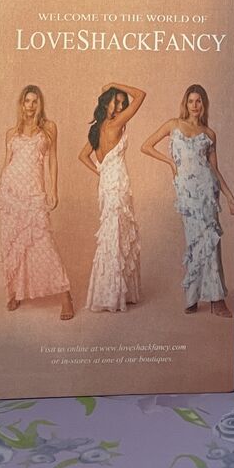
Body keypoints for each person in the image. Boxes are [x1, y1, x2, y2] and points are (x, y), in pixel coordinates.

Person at [141, 84, 234, 317]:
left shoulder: (209, 134)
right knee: (194, 242)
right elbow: (145, 146)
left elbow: (214, 169)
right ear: (185, 103)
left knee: (211, 242)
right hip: (187, 193)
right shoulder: (173, 125)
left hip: (207, 191)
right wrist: (171, 163)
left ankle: (217, 300)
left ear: (204, 104)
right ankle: (192, 296)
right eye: (191, 101)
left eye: (199, 101)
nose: (194, 105)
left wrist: (230, 197)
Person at [0, 85, 74, 321]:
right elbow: (6, 164)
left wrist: (53, 189)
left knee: (44, 243)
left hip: (33, 193)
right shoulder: (11, 133)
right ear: (21, 104)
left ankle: (66, 297)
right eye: (27, 101)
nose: (30, 105)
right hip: (10, 194)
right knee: (12, 245)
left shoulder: (49, 129)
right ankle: (15, 292)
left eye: (34, 101)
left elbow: (53, 160)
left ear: (40, 104)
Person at [79, 82, 145, 312]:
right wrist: (115, 84)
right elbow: (141, 95)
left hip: (107, 182)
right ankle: (112, 296)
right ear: (106, 103)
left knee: (113, 233)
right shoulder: (116, 123)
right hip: (116, 183)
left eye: (122, 103)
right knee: (115, 234)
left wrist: (101, 170)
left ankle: (113, 293)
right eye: (115, 102)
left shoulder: (98, 129)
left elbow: (83, 155)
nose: (119, 107)